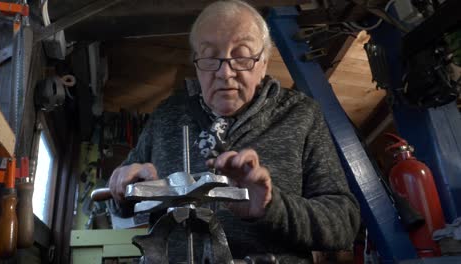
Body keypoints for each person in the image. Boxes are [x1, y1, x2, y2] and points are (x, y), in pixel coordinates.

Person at [108, 0, 360, 263]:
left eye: (240, 56)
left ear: (263, 62)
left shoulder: (302, 114)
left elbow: (344, 224)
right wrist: (124, 190)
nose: (225, 73)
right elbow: (118, 205)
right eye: (209, 57)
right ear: (196, 63)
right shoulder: (166, 116)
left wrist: (271, 208)